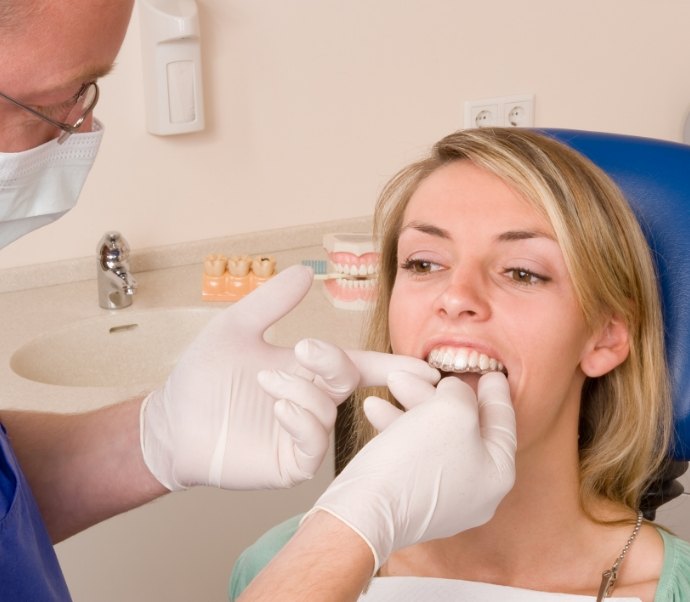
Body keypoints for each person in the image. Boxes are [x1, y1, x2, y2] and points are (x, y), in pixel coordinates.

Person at [3, 2, 496, 600]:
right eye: (63, 97)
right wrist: (353, 526)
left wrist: (153, 438)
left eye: (523, 272)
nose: (81, 130)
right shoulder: (265, 563)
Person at [230, 128, 690, 601]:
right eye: (424, 264)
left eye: (522, 272)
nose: (455, 297)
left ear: (605, 336)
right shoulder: (281, 566)